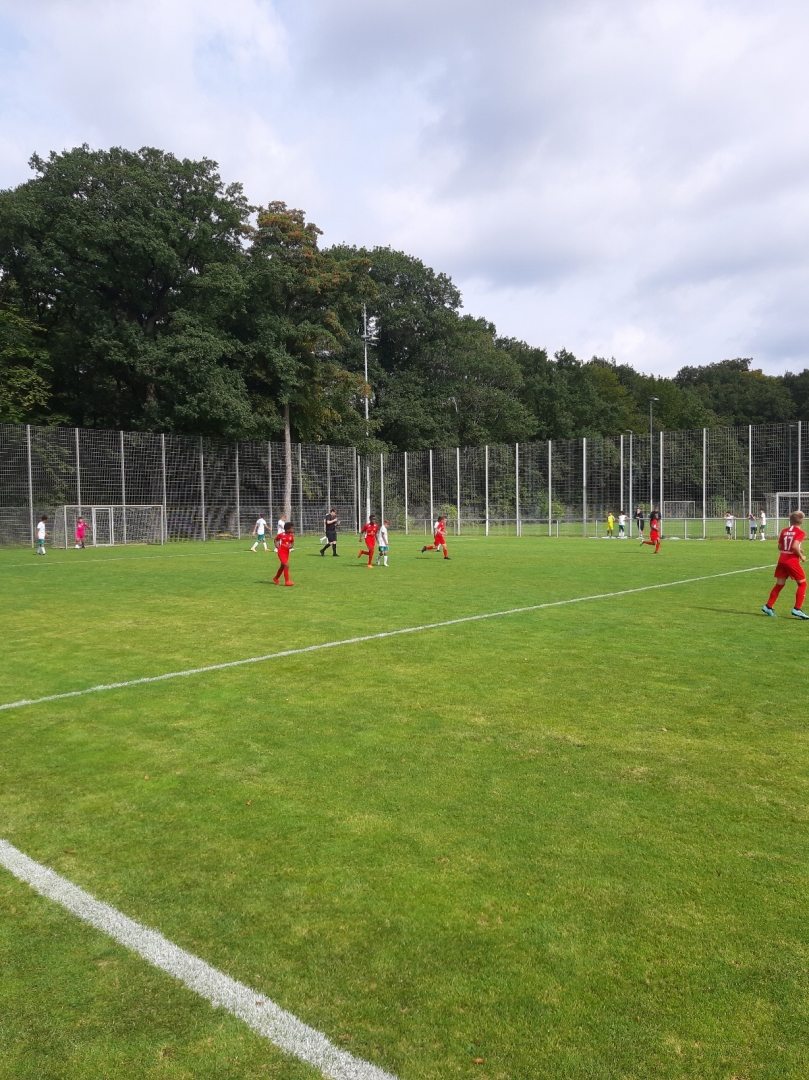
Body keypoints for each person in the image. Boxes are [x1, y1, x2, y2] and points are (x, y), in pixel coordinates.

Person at [762, 510, 808, 619]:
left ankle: (768, 606)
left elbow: (780, 546)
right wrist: (801, 556)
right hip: (792, 561)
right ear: (802, 521)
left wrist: (797, 549)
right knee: (802, 584)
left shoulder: (784, 531)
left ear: (790, 520)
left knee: (779, 584)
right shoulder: (800, 533)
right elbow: (794, 546)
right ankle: (797, 609)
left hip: (782, 560)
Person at [273, 521, 295, 586]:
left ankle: (276, 578)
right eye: (292, 528)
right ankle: (287, 581)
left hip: (287, 552)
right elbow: (276, 539)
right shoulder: (281, 535)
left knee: (283, 566)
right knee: (286, 565)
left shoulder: (291, 535)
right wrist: (277, 545)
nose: (293, 529)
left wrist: (291, 546)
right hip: (281, 551)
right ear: (287, 529)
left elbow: (292, 542)